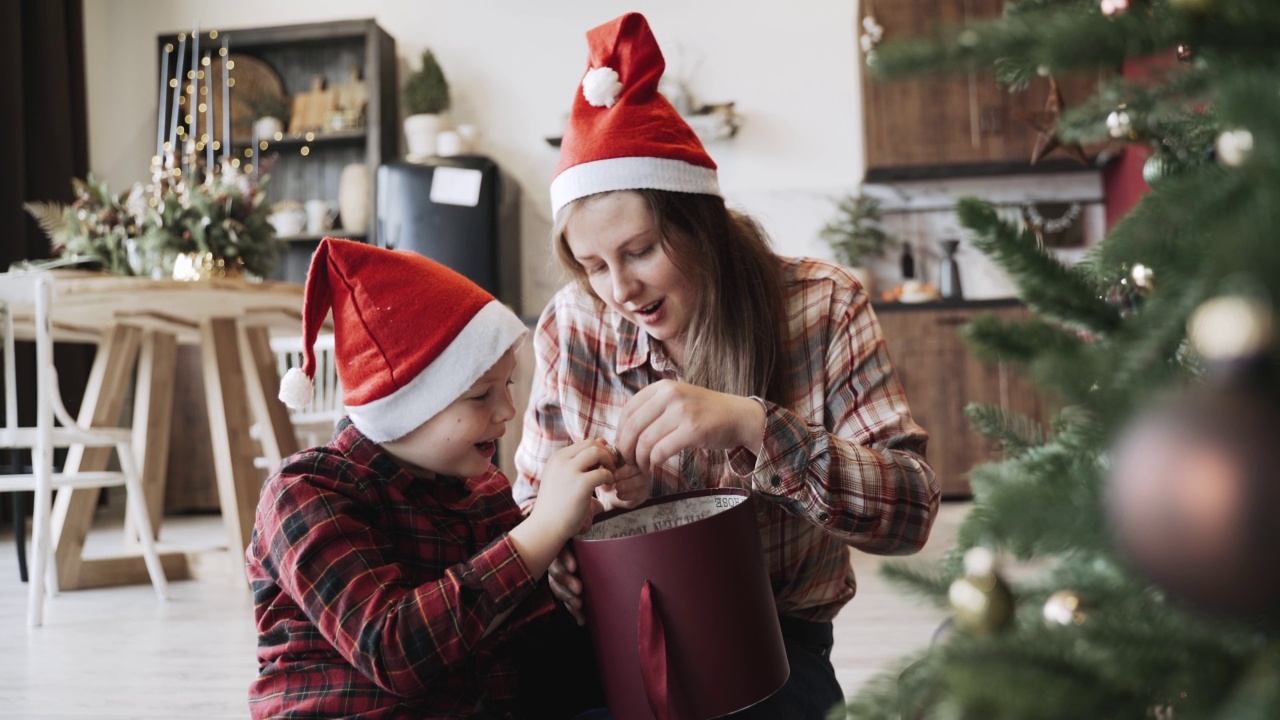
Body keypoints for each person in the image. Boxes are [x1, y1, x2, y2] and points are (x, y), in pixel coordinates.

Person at [513, 13, 941, 718]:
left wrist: (756, 428)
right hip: (612, 637)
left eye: (641, 250)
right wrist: (592, 502)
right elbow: (533, 521)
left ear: (700, 224)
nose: (619, 290)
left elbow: (911, 513)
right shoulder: (573, 321)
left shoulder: (821, 306)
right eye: (593, 266)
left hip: (775, 643)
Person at [246, 237, 615, 719]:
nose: (507, 410)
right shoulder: (305, 493)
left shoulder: (482, 491)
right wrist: (538, 533)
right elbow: (393, 650)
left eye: (506, 385)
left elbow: (519, 637)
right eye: (480, 395)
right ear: (406, 405)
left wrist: (575, 544)